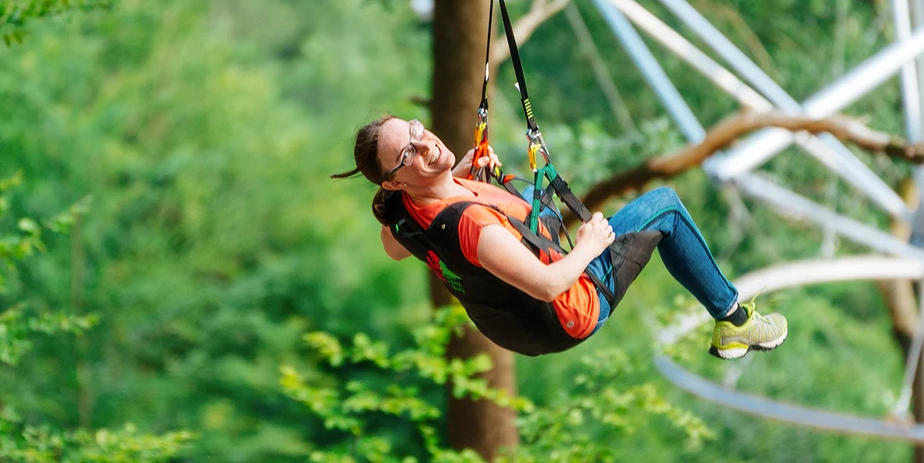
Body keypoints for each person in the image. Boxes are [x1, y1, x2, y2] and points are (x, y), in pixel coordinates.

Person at [332, 115, 787, 358]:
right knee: (665, 205)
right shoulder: (472, 226)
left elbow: (391, 246)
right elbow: (548, 286)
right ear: (394, 181)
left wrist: (458, 173)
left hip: (517, 328)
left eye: (415, 129)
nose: (426, 144)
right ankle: (733, 321)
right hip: (567, 311)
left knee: (528, 194)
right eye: (408, 153)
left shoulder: (405, 217)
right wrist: (589, 244)